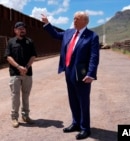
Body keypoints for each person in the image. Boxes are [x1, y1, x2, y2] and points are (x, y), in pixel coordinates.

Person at [41, 11, 100, 140]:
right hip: (69, 71)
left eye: (76, 18)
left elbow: (94, 57)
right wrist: (47, 24)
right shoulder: (69, 32)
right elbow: (56, 35)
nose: (73, 20)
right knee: (72, 99)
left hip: (82, 72)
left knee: (83, 100)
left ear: (84, 21)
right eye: (73, 18)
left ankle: (85, 128)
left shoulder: (92, 36)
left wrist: (91, 74)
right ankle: (76, 123)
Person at [4, 21, 37, 128]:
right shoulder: (11, 42)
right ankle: (14, 117)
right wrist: (18, 67)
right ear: (15, 30)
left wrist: (26, 67)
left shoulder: (29, 41)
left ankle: (26, 116)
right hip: (15, 73)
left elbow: (33, 55)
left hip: (28, 73)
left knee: (26, 96)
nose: (22, 30)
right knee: (15, 96)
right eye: (20, 28)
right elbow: (8, 57)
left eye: (23, 28)